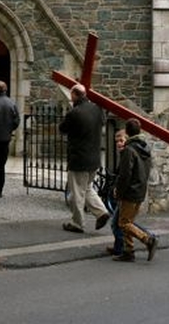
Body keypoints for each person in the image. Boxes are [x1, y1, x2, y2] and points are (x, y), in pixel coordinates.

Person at [59, 83, 110, 233]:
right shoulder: (97, 109)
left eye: (71, 94)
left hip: (78, 158)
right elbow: (103, 122)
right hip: (94, 158)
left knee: (77, 192)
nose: (70, 97)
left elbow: (62, 129)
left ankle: (77, 223)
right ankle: (102, 212)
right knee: (87, 188)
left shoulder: (74, 113)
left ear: (75, 95)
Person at [112, 118, 159, 262]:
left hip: (130, 191)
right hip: (140, 189)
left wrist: (118, 191)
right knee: (128, 221)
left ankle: (147, 239)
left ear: (127, 132)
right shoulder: (145, 148)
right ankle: (128, 251)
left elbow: (125, 175)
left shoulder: (129, 150)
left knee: (124, 223)